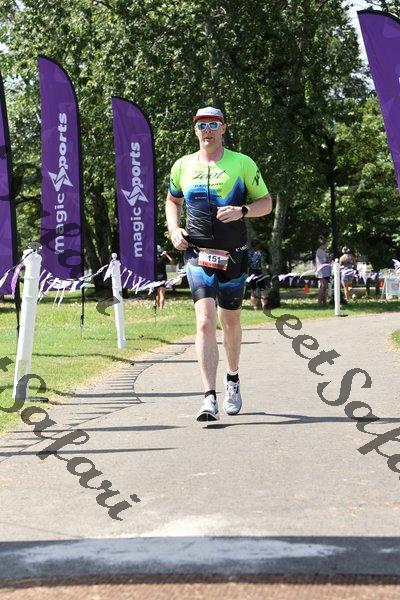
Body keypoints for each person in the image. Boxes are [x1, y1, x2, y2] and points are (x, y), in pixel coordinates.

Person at [166, 106, 272, 422]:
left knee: (230, 320)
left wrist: (242, 211)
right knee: (204, 321)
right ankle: (208, 397)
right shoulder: (182, 165)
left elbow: (266, 203)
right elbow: (172, 200)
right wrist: (174, 229)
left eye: (213, 124)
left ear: (223, 128)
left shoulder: (242, 163)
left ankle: (233, 378)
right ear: (195, 130)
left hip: (233, 254)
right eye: (202, 125)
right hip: (197, 253)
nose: (207, 130)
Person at [248, 238, 268, 310]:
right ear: (257, 245)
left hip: (251, 273)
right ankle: (264, 305)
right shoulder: (260, 253)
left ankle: (254, 306)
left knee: (253, 290)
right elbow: (263, 264)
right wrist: (266, 272)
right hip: (259, 272)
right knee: (263, 289)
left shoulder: (248, 253)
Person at [155, 245, 174, 309]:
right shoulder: (163, 258)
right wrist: (166, 255)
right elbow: (172, 262)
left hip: (155, 278)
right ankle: (161, 308)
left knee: (157, 295)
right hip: (162, 277)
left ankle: (158, 308)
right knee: (162, 294)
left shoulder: (152, 259)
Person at [315, 236, 331, 306]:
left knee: (324, 287)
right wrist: (330, 258)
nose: (327, 246)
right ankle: (319, 302)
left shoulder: (323, 251)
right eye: (326, 244)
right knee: (324, 286)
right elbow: (324, 261)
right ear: (323, 244)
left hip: (325, 271)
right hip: (322, 271)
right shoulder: (320, 251)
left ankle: (324, 302)